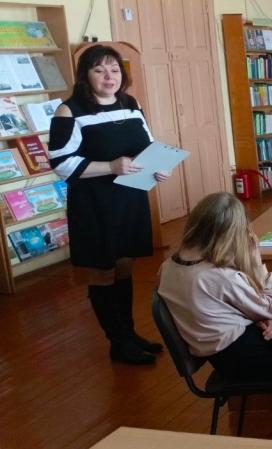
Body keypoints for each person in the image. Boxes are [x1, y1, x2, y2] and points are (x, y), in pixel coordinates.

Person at [48, 45, 171, 365]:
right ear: (85, 75)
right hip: (94, 204)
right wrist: (110, 167)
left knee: (124, 266)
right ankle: (118, 343)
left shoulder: (130, 104)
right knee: (102, 272)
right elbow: (60, 163)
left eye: (114, 70)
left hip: (130, 197)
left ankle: (128, 333)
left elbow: (146, 145)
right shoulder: (69, 111)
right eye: (99, 70)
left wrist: (158, 166)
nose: (109, 77)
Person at [157, 193, 272, 382]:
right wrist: (257, 264)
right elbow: (271, 308)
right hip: (245, 359)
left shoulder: (166, 268)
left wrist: (259, 317)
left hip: (223, 358)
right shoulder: (220, 277)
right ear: (231, 235)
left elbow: (216, 308)